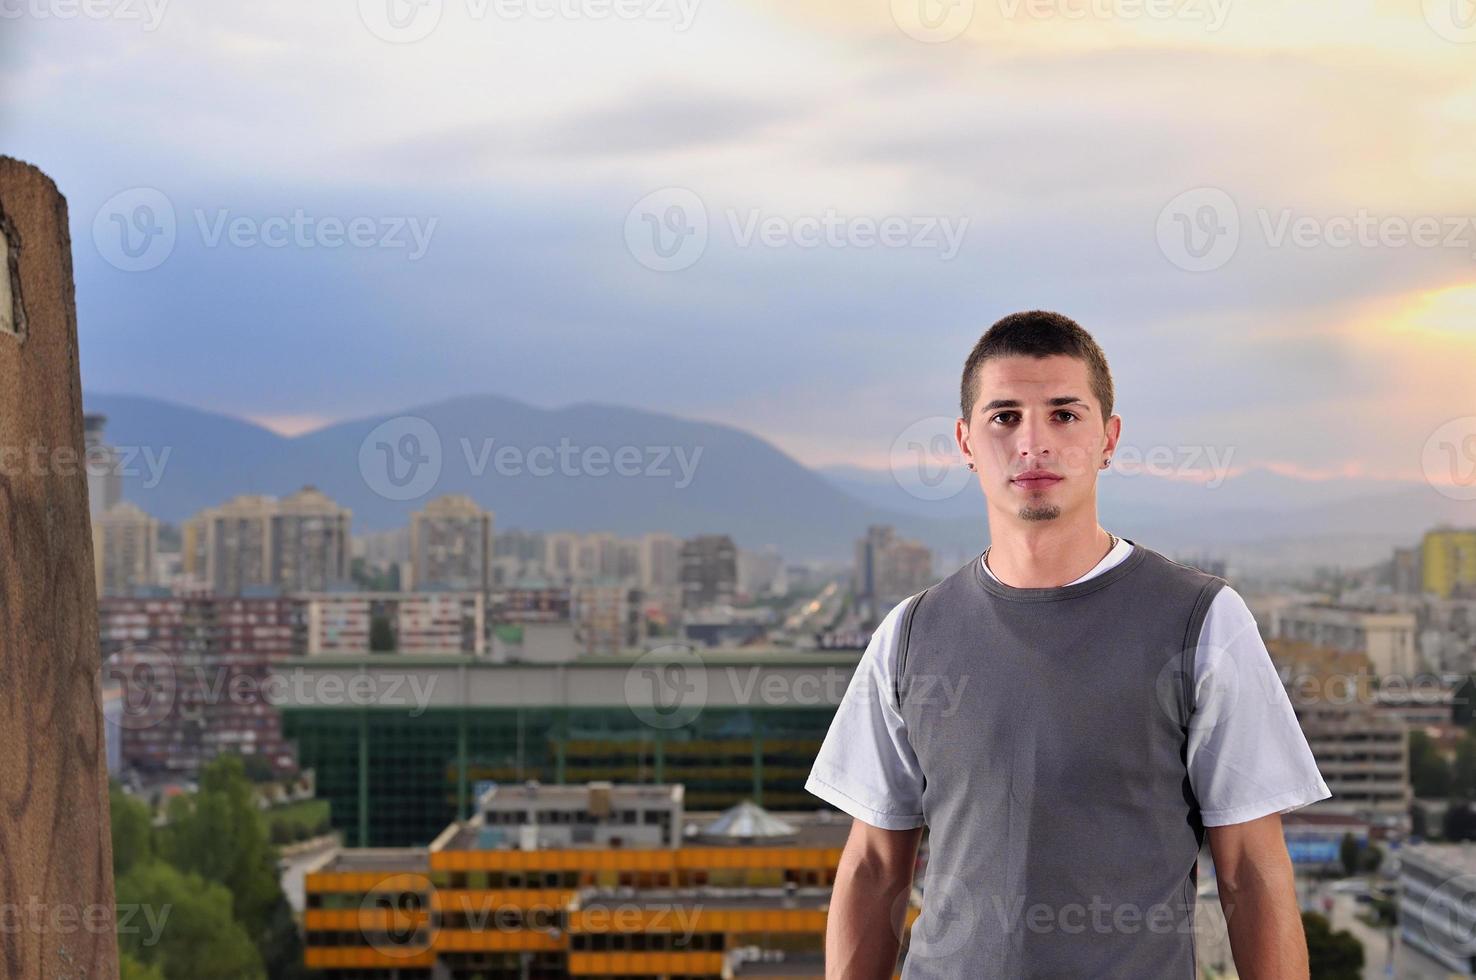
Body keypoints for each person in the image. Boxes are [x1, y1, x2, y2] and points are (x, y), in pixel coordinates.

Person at [806, 310, 1330, 978]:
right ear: (965, 442)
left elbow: (1252, 872)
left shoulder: (1203, 621)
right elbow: (875, 868)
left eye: (1064, 414)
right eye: (1004, 417)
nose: (1033, 442)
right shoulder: (909, 635)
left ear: (1108, 438)